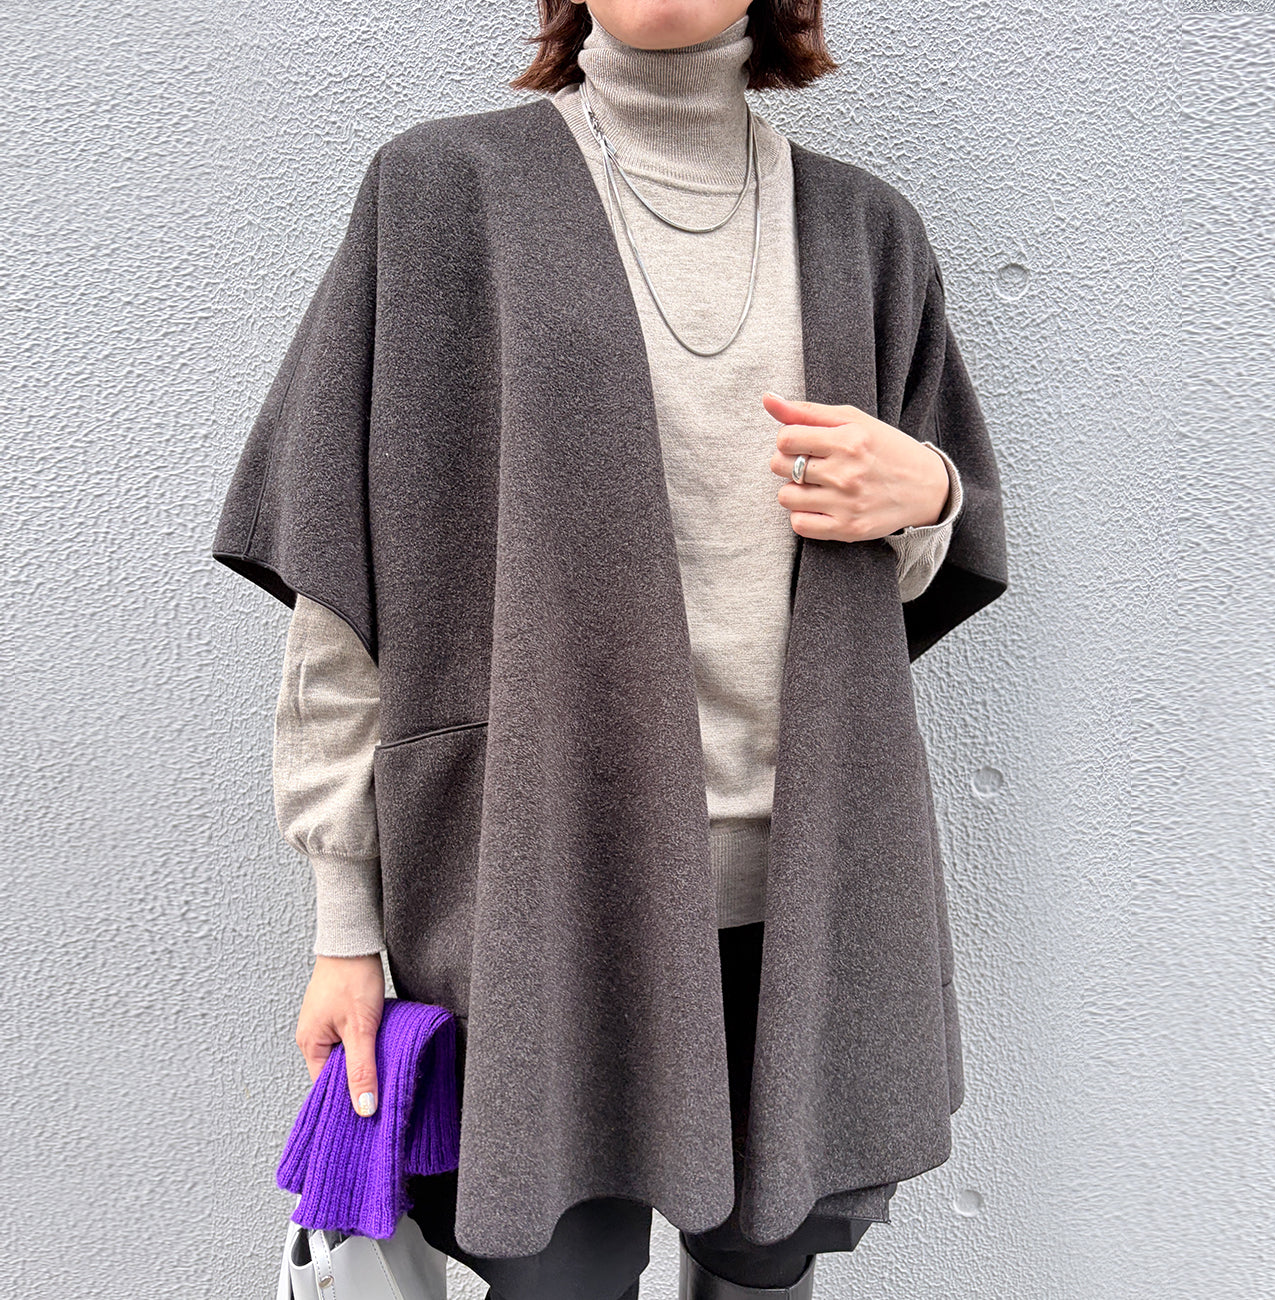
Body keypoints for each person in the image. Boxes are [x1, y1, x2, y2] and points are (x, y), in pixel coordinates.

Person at [221, 2, 1006, 1296]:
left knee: (762, 1275)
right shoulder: (445, 194)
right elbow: (346, 595)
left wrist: (929, 492)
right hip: (540, 893)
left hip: (800, 903)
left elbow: (908, 578)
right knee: (557, 1277)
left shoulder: (864, 231)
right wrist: (343, 929)